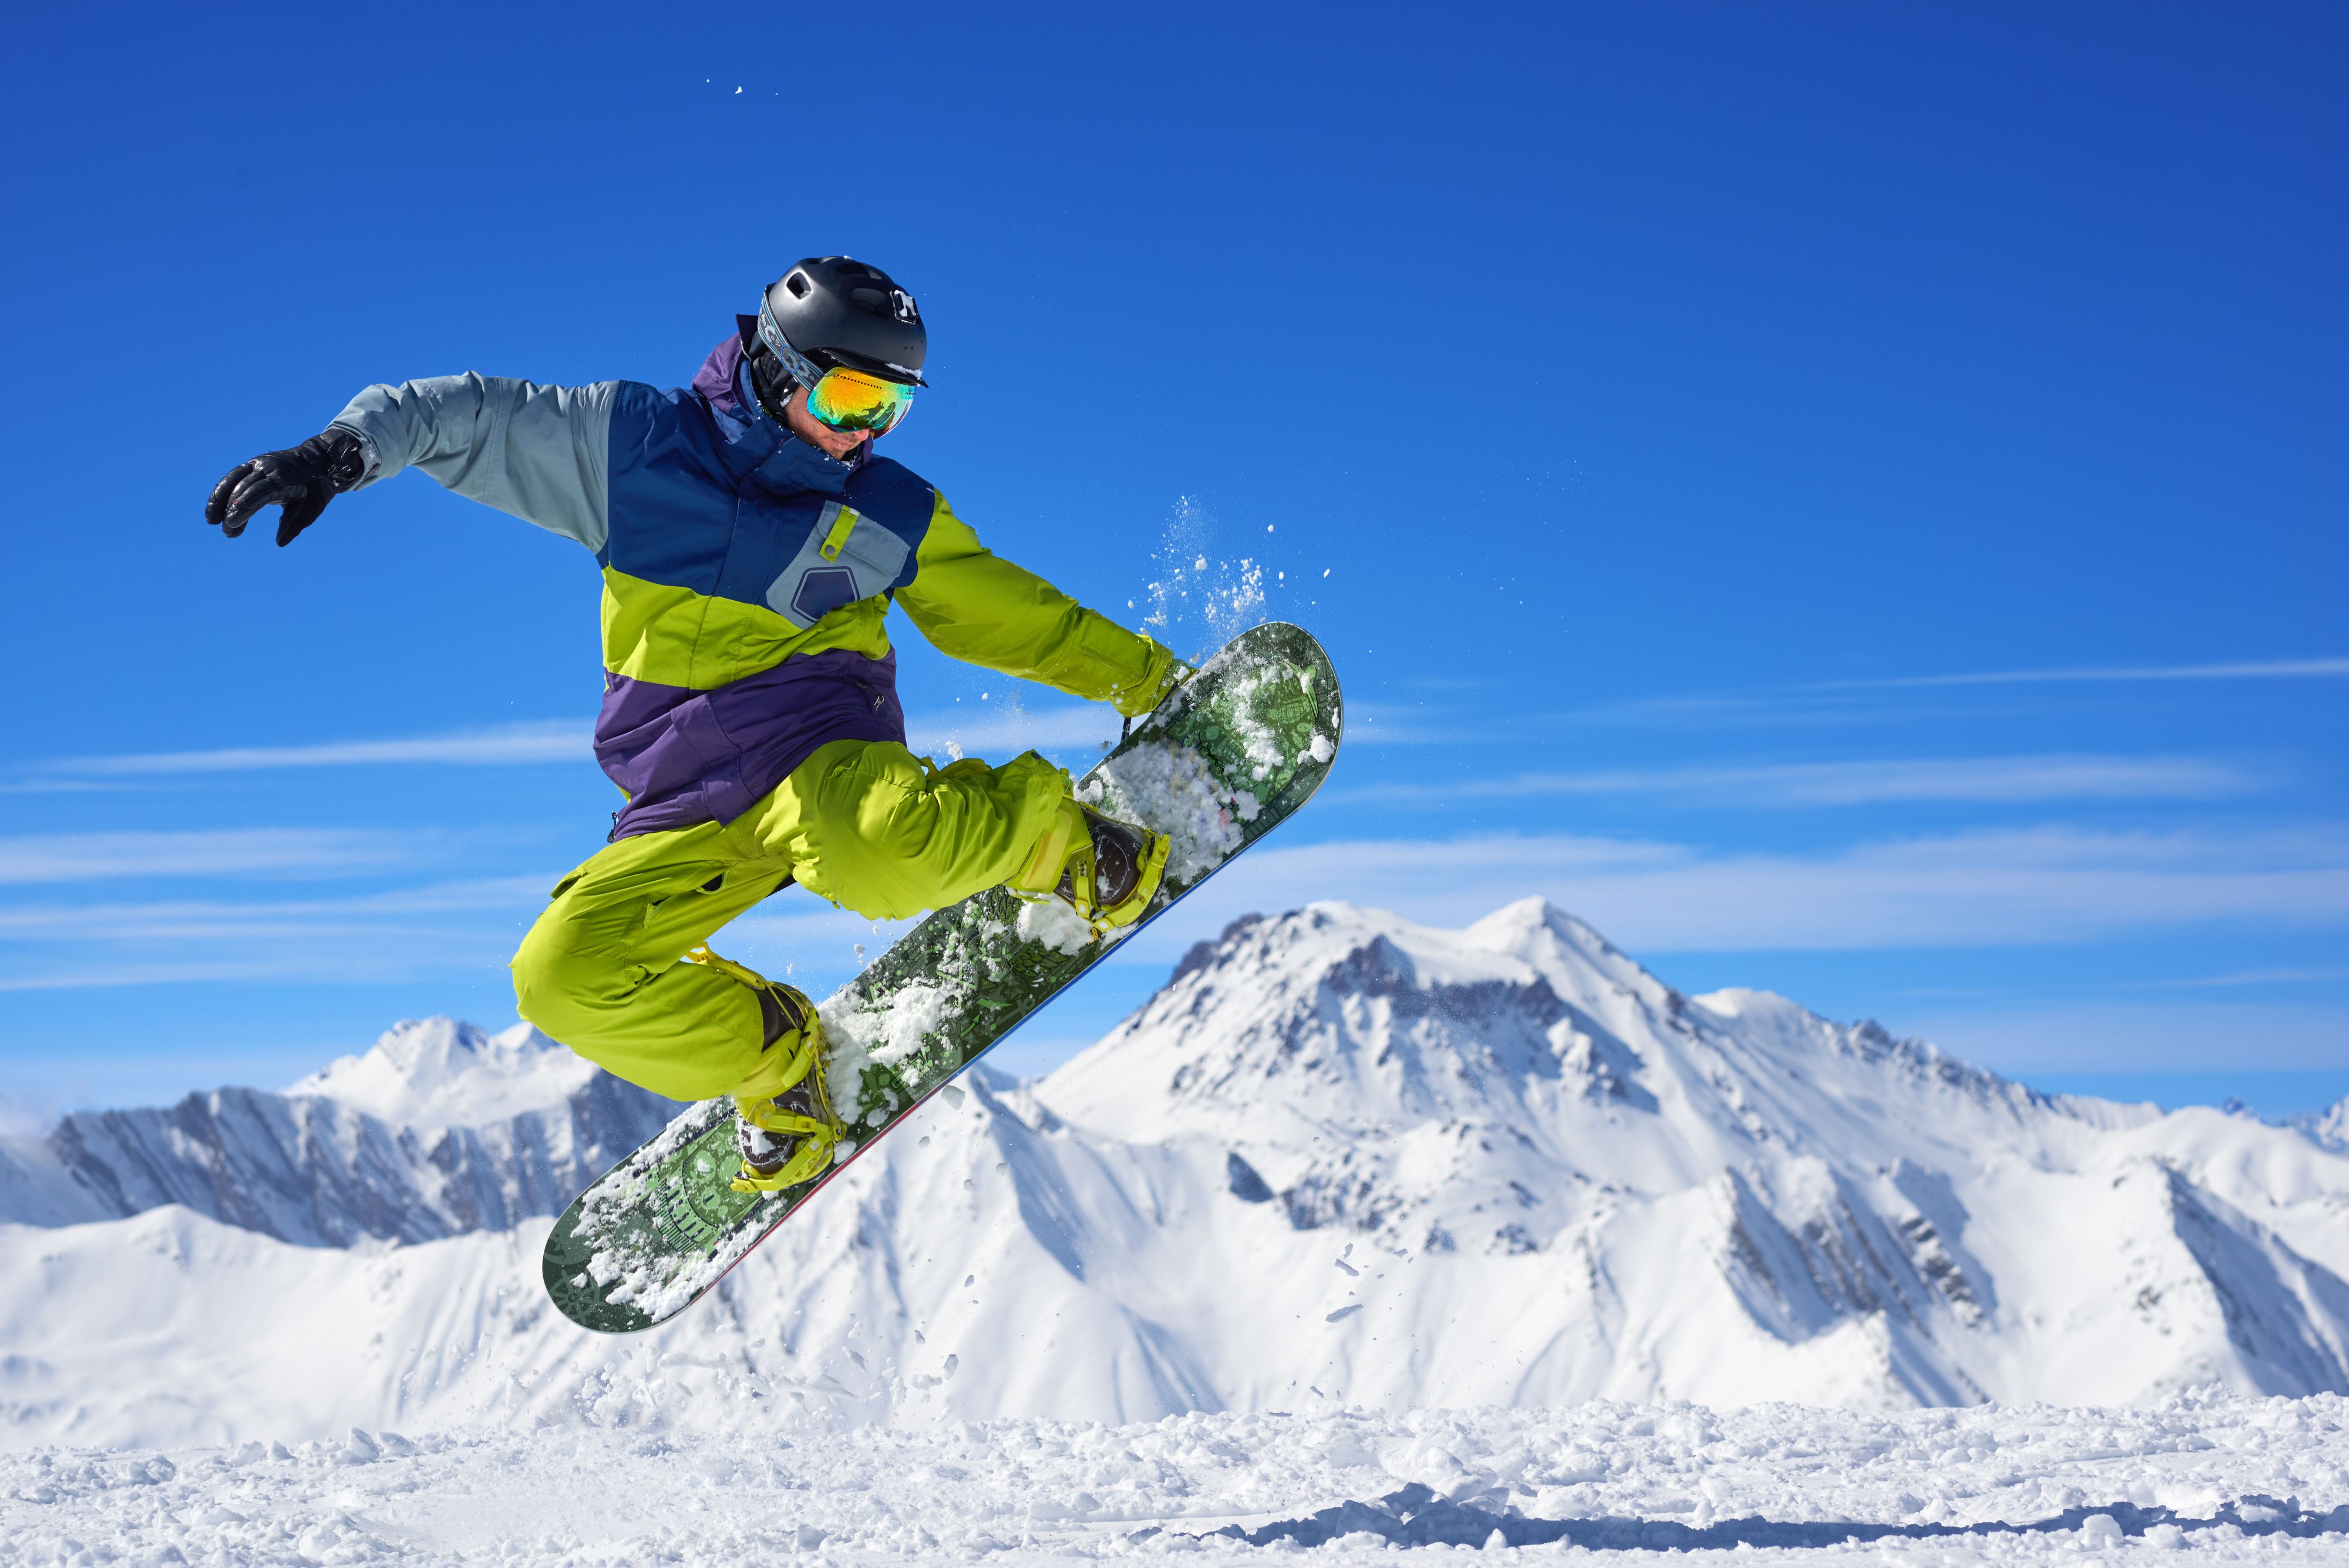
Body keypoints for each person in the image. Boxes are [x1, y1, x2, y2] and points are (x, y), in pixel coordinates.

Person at [204, 256, 1182, 1192]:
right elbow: (467, 417)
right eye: (850, 402)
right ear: (780, 369)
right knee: (558, 976)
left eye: (891, 408)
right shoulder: (632, 446)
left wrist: (1150, 681)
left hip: (821, 760)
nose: (864, 435)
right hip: (682, 798)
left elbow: (1015, 617)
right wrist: (341, 451)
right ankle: (778, 1064)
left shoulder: (886, 508)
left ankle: (1058, 837)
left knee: (876, 850)